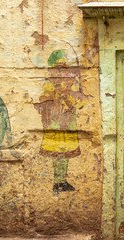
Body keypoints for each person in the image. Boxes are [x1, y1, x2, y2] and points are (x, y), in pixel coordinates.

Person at [35, 49, 85, 192]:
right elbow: (43, 100)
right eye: (58, 66)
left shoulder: (69, 81)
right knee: (57, 152)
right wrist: (58, 96)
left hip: (68, 120)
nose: (61, 69)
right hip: (55, 121)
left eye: (64, 66)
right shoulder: (49, 83)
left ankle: (62, 181)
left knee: (66, 151)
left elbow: (76, 99)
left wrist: (69, 95)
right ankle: (57, 181)